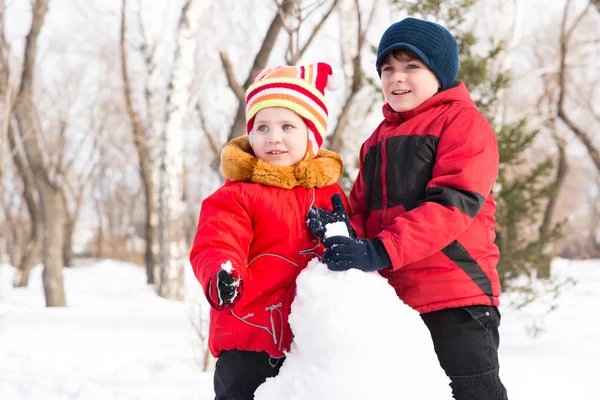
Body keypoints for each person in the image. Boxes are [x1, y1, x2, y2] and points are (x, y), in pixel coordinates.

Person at [307, 18, 508, 399]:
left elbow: (453, 203)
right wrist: (341, 232)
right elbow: (361, 210)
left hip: (455, 296)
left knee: (472, 392)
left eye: (411, 67)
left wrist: (380, 250)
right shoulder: (376, 139)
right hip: (395, 299)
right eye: (387, 69)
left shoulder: (463, 124)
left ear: (440, 73)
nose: (396, 78)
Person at [189, 62, 349, 400]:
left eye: (287, 126)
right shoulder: (237, 195)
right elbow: (218, 239)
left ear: (311, 136)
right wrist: (221, 272)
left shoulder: (329, 195)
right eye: (262, 127)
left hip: (310, 339)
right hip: (248, 337)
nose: (273, 137)